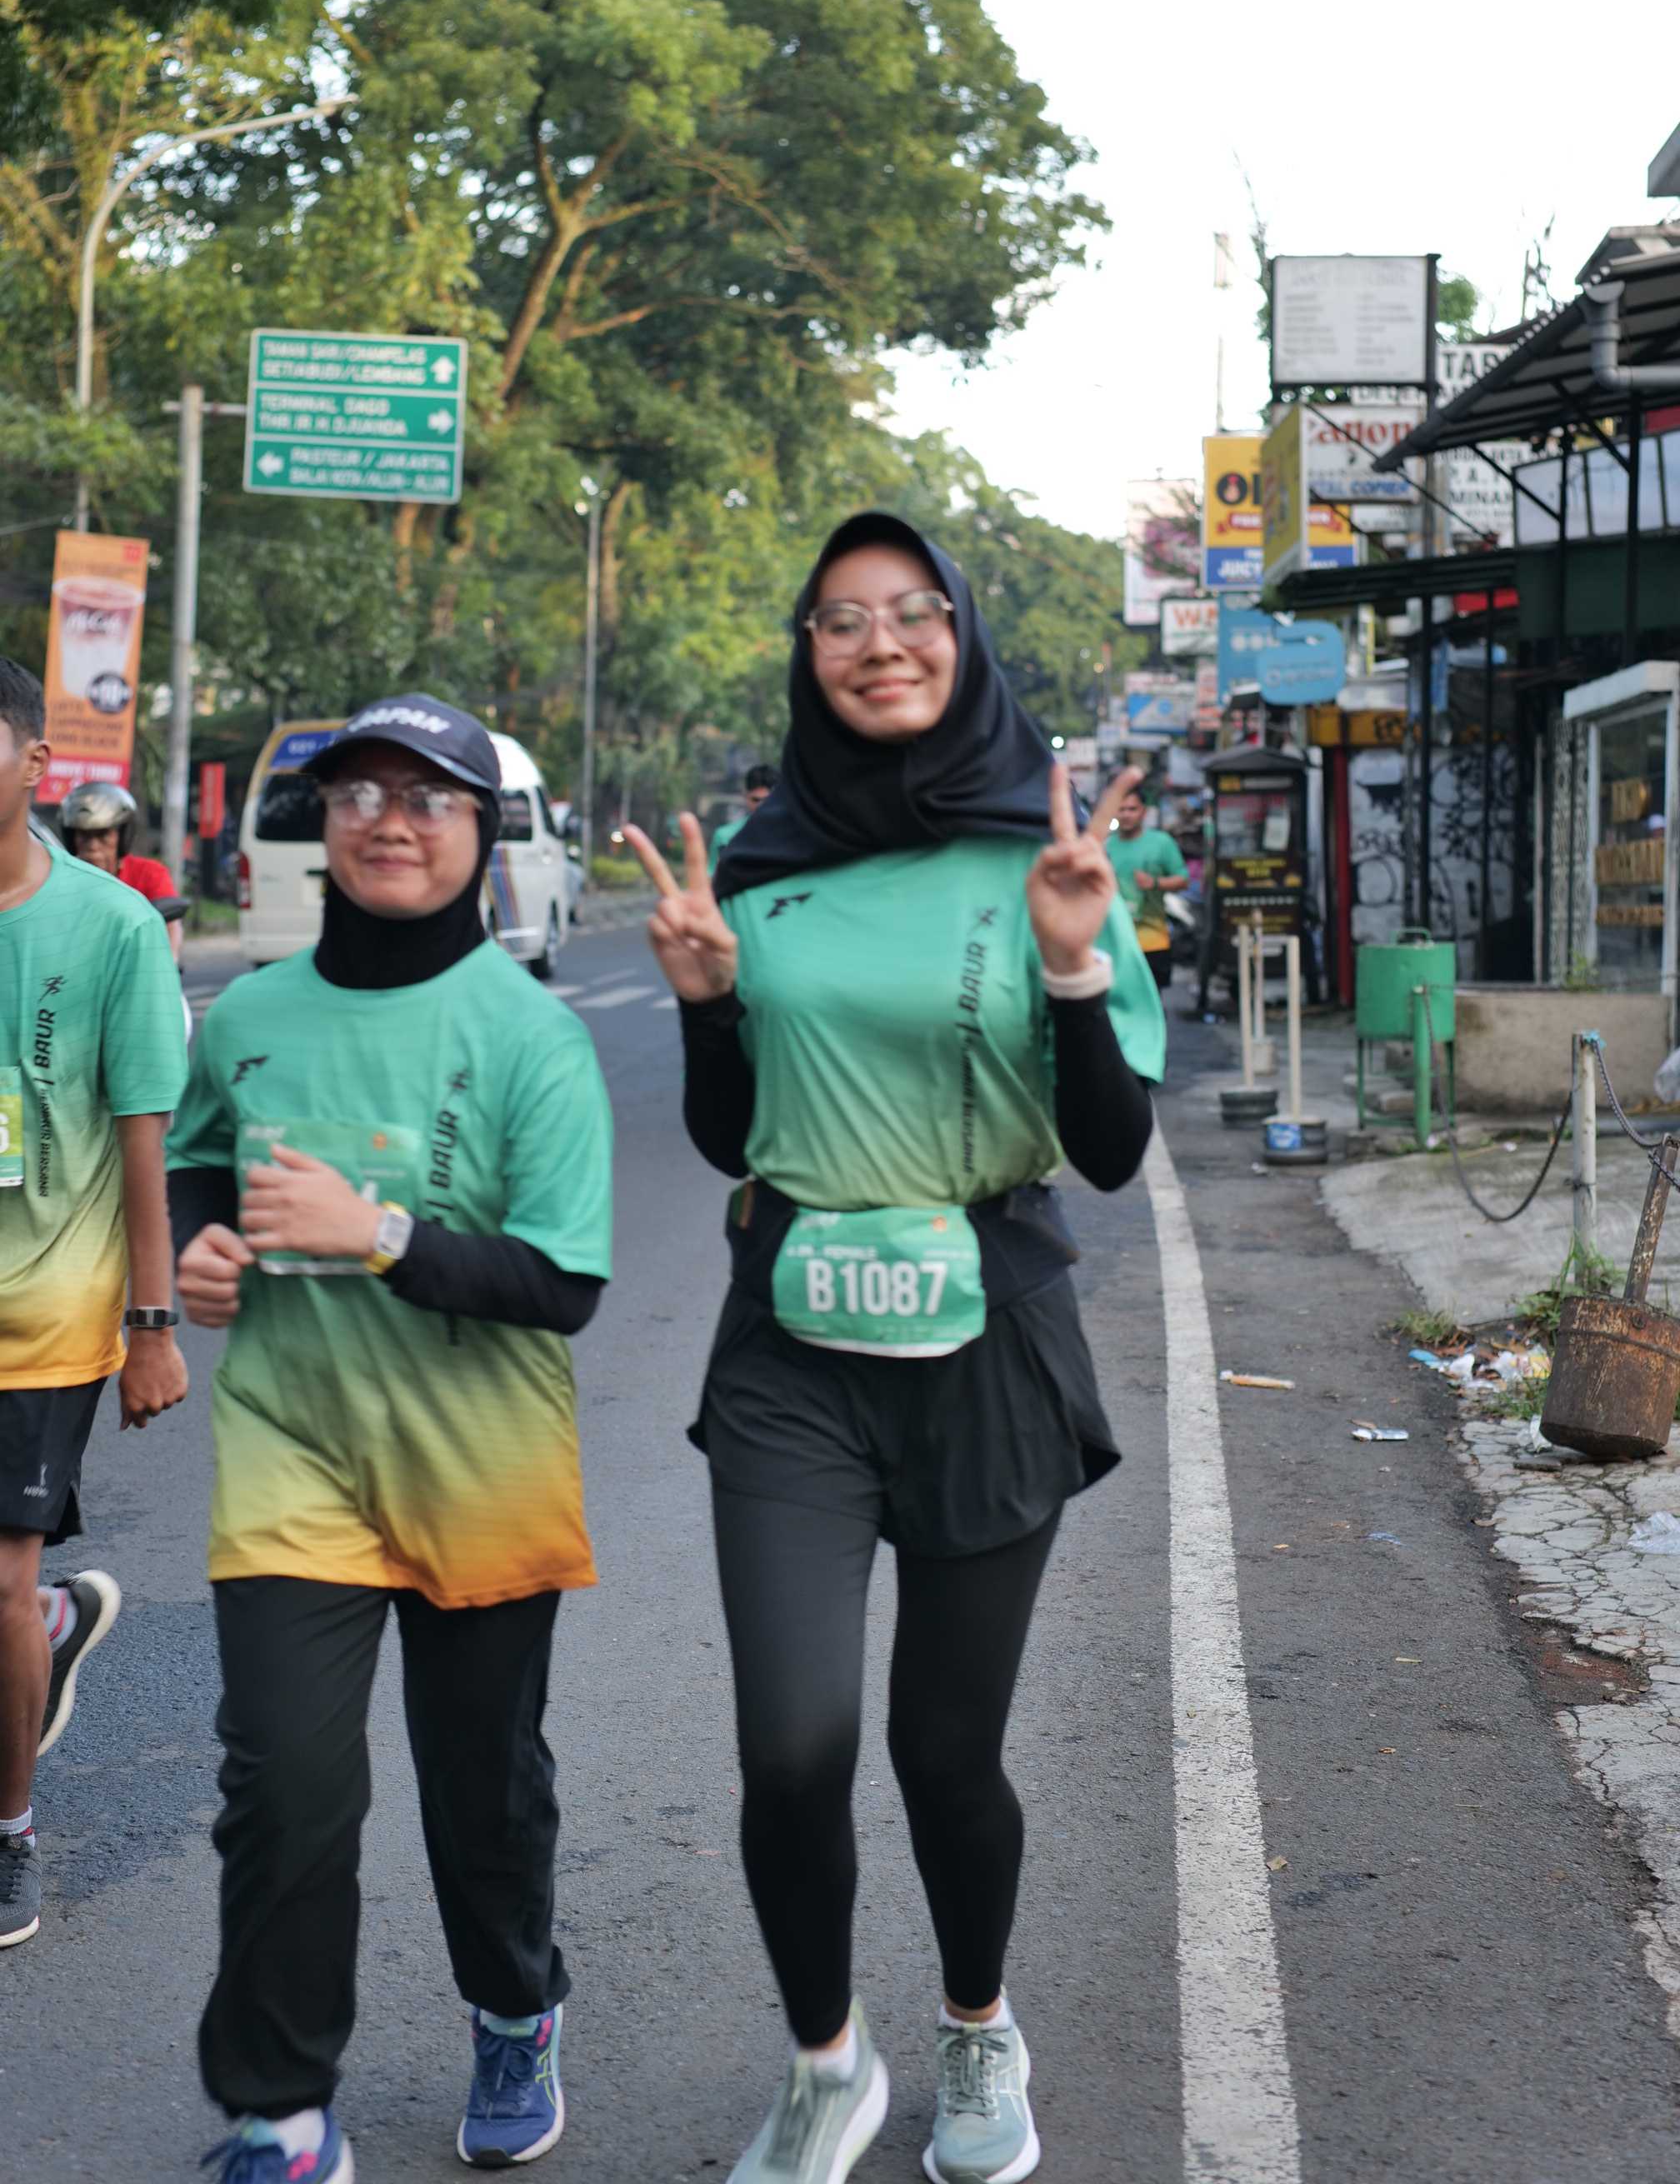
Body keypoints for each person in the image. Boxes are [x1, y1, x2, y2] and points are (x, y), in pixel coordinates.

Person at [626, 515, 1164, 2184]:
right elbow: (733, 1139)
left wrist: (1070, 968)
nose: (880, 643)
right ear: (807, 654)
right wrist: (707, 1000)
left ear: (962, 635)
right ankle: (825, 2063)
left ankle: (978, 2025)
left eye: (912, 611)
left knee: (945, 1750)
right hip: (792, 1345)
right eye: (841, 619)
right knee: (790, 1742)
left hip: (987, 1336)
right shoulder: (762, 862)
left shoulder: (1046, 856)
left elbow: (1112, 1153)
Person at [166, 692, 614, 2183]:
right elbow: (196, 1171)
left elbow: (562, 1284)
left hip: (479, 1460)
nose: (389, 821)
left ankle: (515, 2006)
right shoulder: (251, 1016)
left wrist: (380, 1233)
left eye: (428, 797)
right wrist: (203, 1249)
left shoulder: (533, 1034)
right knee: (285, 1783)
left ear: (482, 831)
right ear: (325, 823)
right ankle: (283, 2108)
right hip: (291, 1448)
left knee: (482, 1787)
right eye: (359, 793)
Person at [0, 657, 189, 1952]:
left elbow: (141, 1138)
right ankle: (55, 1624)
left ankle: (9, 1829)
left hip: (48, 1306)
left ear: (33, 765)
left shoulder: (112, 927)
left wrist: (152, 1326)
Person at [58, 778, 185, 965]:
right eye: (84, 835)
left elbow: (171, 927)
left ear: (123, 836)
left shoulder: (149, 873)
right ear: (72, 838)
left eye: (103, 835)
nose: (93, 846)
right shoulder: (59, 881)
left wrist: (169, 963)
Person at [1104, 782, 1188, 994]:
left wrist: (1156, 883)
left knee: (1152, 1000)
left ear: (1144, 811)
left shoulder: (1161, 843)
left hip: (1153, 941)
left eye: (1132, 809)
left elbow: (1183, 880)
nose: (1126, 815)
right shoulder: (1105, 847)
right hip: (1116, 942)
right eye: (1121, 809)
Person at [712, 762, 779, 863]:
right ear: (746, 796)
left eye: (767, 800)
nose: (761, 806)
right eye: (756, 800)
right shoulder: (725, 837)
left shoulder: (794, 837)